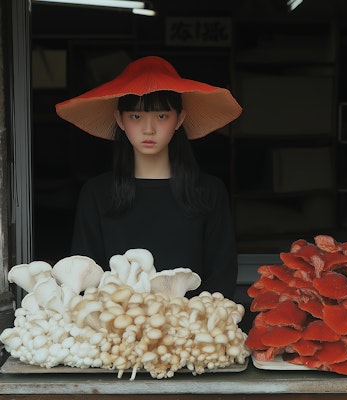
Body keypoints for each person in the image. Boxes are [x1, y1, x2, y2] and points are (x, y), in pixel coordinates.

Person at [55, 56, 242, 298]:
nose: (148, 129)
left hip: (192, 328)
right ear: (120, 120)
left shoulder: (209, 192)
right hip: (115, 328)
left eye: (162, 116)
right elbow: (83, 276)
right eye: (136, 117)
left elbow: (221, 276)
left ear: (180, 119)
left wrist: (192, 325)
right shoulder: (97, 194)